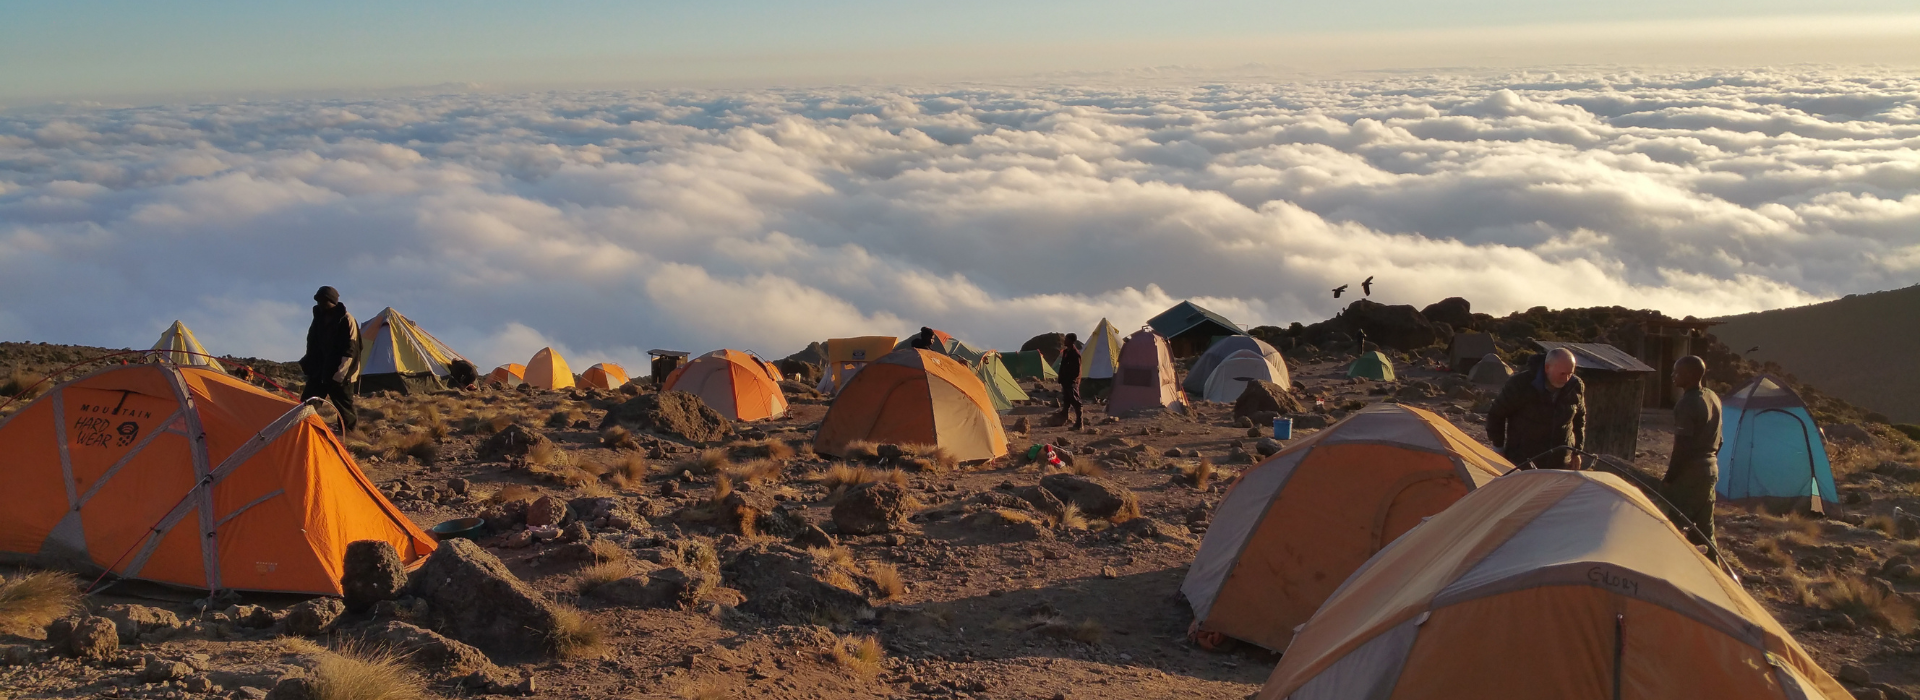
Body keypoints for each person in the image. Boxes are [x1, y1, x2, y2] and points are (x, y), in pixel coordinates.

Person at [1486, 348, 1586, 470]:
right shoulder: (1521, 384)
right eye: (1562, 374)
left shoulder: (1575, 386)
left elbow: (1579, 419)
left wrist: (1576, 452)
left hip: (1560, 464)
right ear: (1547, 368)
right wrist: (1498, 448)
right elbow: (1496, 414)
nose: (1566, 379)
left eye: (1570, 374)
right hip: (1523, 462)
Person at [1664, 355, 1722, 553]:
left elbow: (1682, 447)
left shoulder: (1687, 404)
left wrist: (1670, 479)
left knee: (1675, 528)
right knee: (1705, 532)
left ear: (1689, 375)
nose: (1673, 375)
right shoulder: (1713, 397)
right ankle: (1719, 579)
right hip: (1711, 470)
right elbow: (1720, 440)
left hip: (1691, 474)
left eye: (1677, 372)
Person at [299, 286, 361, 433]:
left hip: (340, 374)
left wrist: (340, 374)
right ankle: (301, 431)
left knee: (345, 409)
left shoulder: (347, 320)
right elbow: (312, 343)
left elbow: (351, 350)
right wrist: (309, 364)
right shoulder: (318, 319)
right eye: (318, 300)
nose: (319, 303)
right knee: (307, 404)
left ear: (331, 301)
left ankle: (350, 438)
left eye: (323, 300)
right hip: (319, 371)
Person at [1055, 333, 1085, 430]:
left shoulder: (1075, 354)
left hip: (1071, 381)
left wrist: (1073, 380)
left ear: (1071, 341)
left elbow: (1077, 369)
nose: (1065, 341)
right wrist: (1061, 378)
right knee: (1067, 400)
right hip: (1065, 381)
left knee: (1075, 401)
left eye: (1067, 339)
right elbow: (1063, 366)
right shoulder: (1066, 352)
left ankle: (1079, 423)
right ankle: (1064, 417)